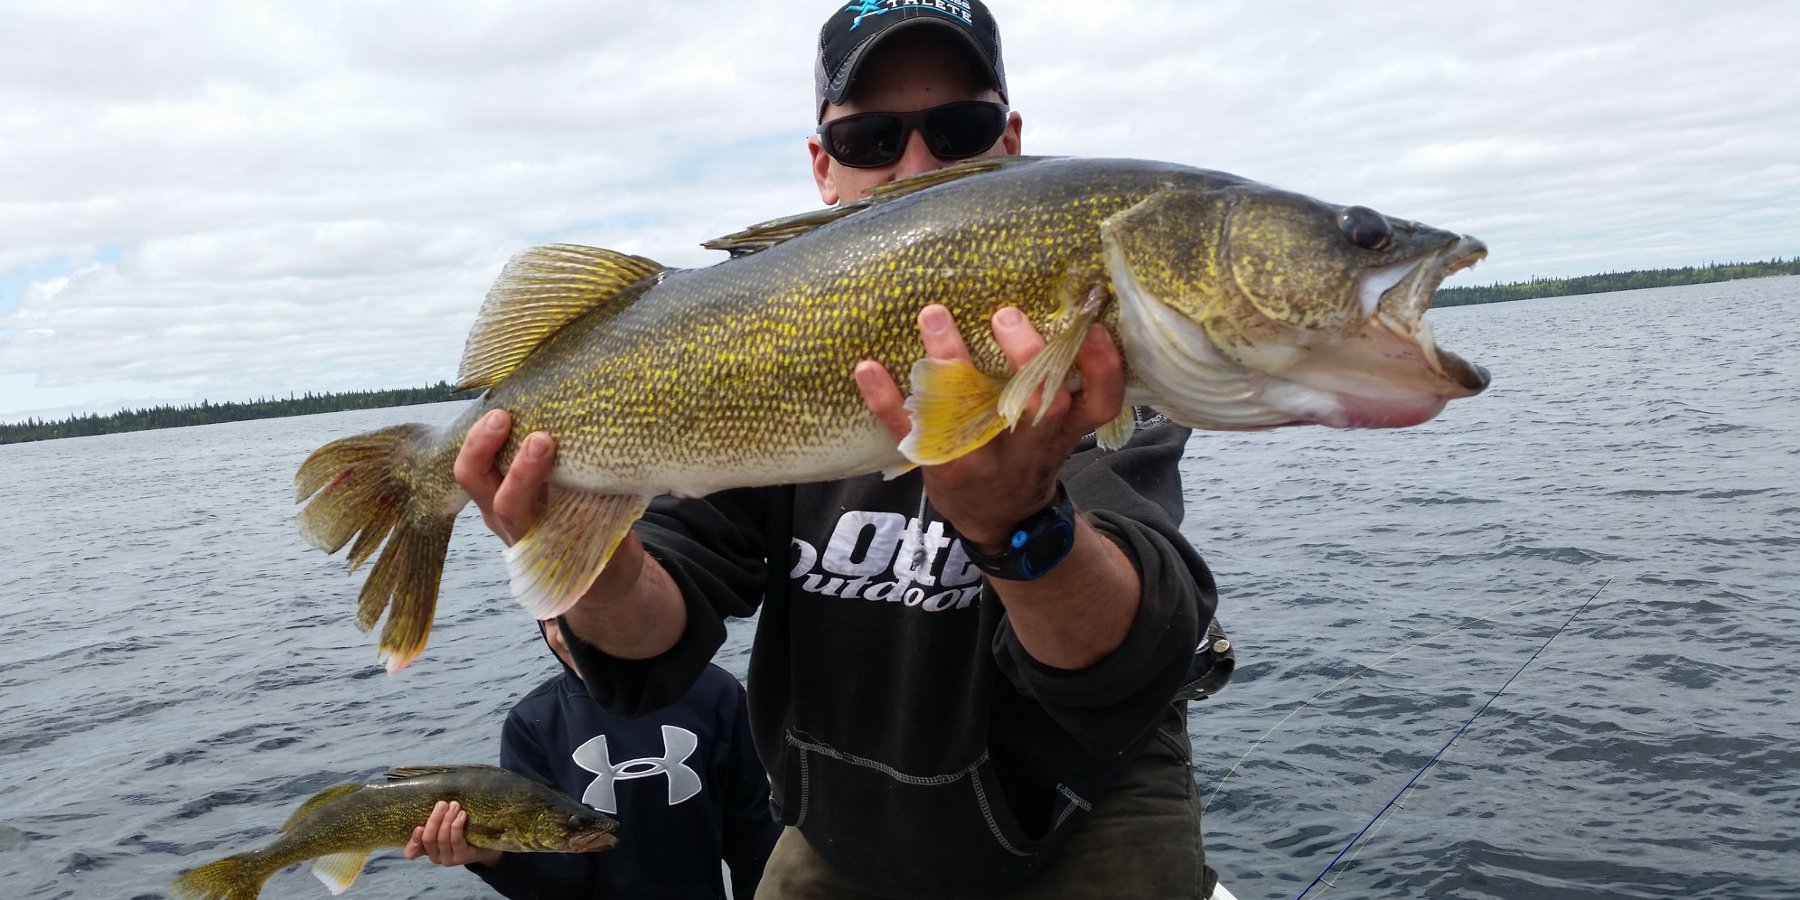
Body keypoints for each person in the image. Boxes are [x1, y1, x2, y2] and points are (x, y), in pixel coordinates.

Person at [452, 2, 1221, 897]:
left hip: (1084, 809)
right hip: (841, 824)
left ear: (1010, 140)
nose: (919, 163)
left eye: (961, 128)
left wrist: (1017, 522)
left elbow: (1128, 653)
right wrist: (597, 564)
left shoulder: (1094, 358)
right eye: (871, 140)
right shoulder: (762, 346)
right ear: (823, 166)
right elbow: (655, 639)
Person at [404, 618, 781, 899]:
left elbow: (753, 836)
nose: (565, 632)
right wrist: (491, 858)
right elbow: (557, 883)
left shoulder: (715, 695)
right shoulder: (532, 724)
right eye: (551, 618)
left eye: (579, 610)